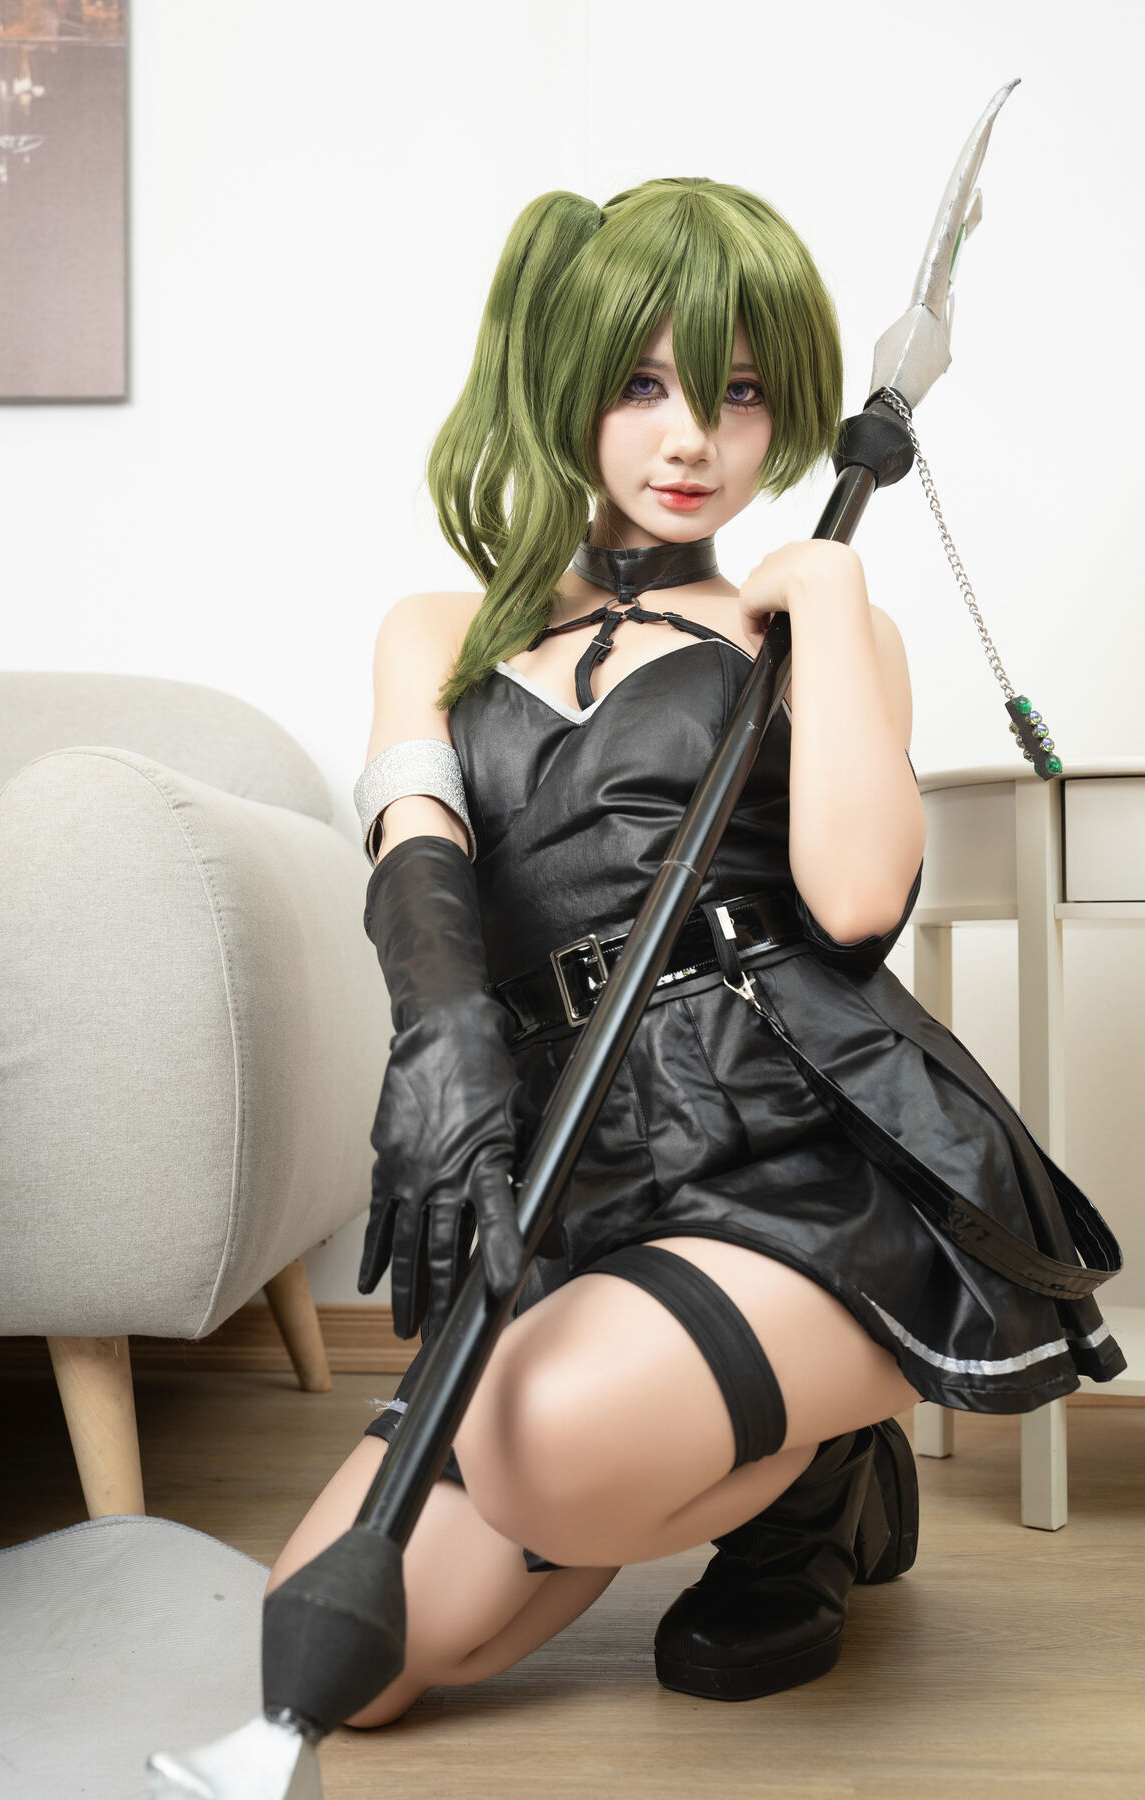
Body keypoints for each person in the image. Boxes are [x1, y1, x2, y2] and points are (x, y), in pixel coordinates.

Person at [265, 178, 1126, 1729]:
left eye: (736, 394)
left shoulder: (801, 626)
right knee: (340, 1663)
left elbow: (858, 901)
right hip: (571, 1152)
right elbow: (414, 837)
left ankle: (794, 1486)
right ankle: (777, 1456)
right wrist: (443, 1037)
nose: (691, 440)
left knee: (546, 1448)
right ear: (564, 383)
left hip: (787, 1137)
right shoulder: (440, 632)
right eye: (642, 386)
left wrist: (833, 605)